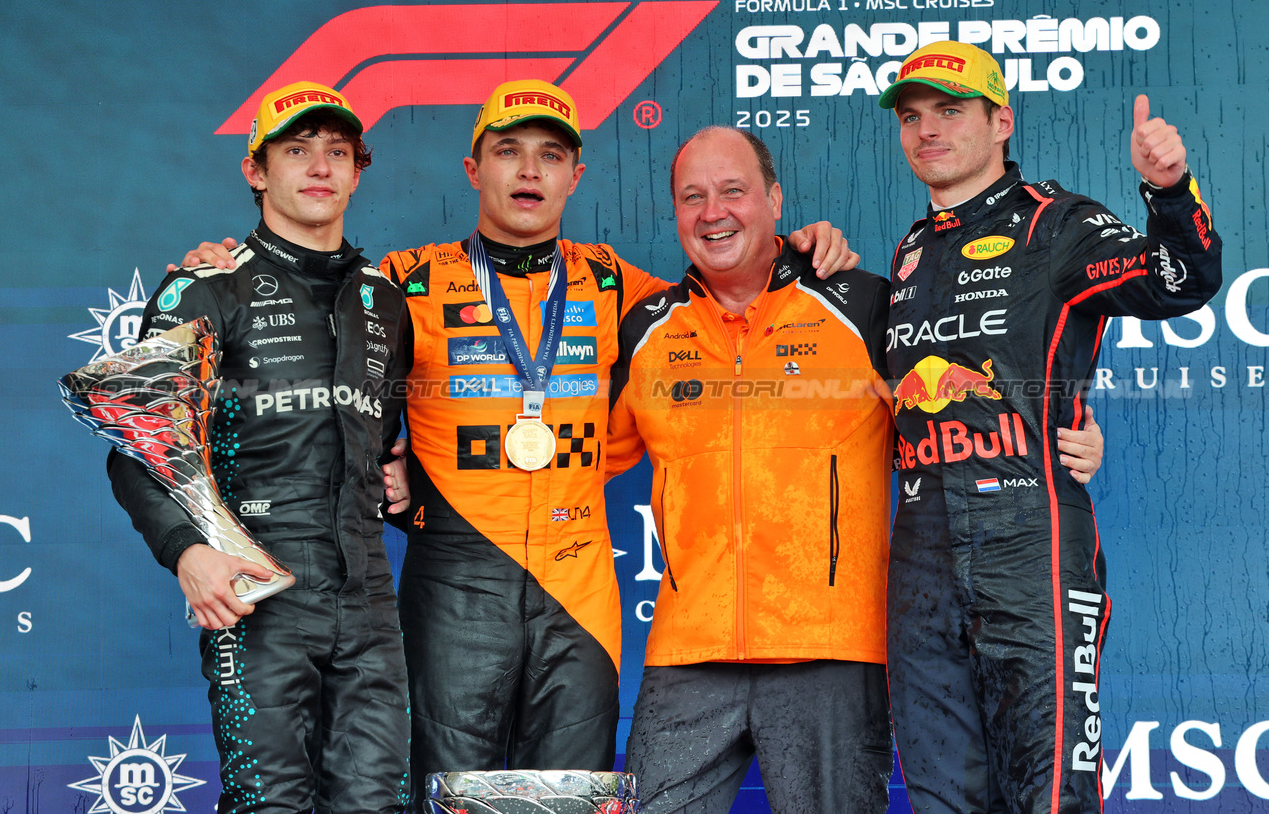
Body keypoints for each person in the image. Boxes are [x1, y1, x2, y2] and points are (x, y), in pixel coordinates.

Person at [177, 79, 852, 785]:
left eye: (550, 154)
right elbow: (315, 340)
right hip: (453, 582)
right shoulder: (403, 281)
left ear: (573, 175)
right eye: (507, 150)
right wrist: (218, 269)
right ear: (474, 170)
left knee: (569, 795)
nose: (529, 170)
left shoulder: (617, 283)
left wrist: (796, 251)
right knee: (445, 794)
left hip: (580, 588)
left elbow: (733, 293)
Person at [605, 125, 1105, 813]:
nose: (712, 212)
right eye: (692, 197)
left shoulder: (859, 303)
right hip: (685, 655)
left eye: (732, 191)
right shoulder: (645, 328)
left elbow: (962, 384)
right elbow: (578, 458)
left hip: (832, 655)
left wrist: (1060, 433)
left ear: (773, 199)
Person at [877, 41, 1222, 813]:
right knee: (940, 794)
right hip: (921, 548)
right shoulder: (907, 250)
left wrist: (1168, 191)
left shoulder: (1057, 223)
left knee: (1049, 790)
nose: (926, 129)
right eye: (911, 116)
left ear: (1001, 121)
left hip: (1028, 536)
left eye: (948, 110)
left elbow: (1180, 282)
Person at [108, 81, 413, 813]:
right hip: (261, 589)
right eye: (297, 150)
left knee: (377, 804)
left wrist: (398, 478)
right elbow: (136, 448)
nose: (319, 167)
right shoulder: (206, 289)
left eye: (337, 152)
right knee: (268, 803)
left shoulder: (387, 301)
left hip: (369, 594)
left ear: (357, 170)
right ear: (256, 170)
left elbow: (388, 442)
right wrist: (189, 551)